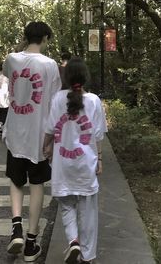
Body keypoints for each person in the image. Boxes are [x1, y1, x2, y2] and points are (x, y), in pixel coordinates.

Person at [3, 21, 62, 262]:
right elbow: (55, 104)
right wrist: (52, 140)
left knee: (16, 181)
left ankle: (15, 227)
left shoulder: (11, 59)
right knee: (37, 185)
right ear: (46, 38)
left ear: (25, 36)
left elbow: (10, 76)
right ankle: (30, 242)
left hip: (15, 133)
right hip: (39, 136)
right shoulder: (50, 65)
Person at [44, 57, 107, 264]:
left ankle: (73, 241)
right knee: (88, 213)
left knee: (67, 206)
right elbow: (98, 135)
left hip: (63, 167)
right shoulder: (94, 101)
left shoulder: (57, 98)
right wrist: (99, 159)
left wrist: (46, 147)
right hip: (85, 166)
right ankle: (87, 257)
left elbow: (50, 129)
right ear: (85, 77)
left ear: (67, 77)